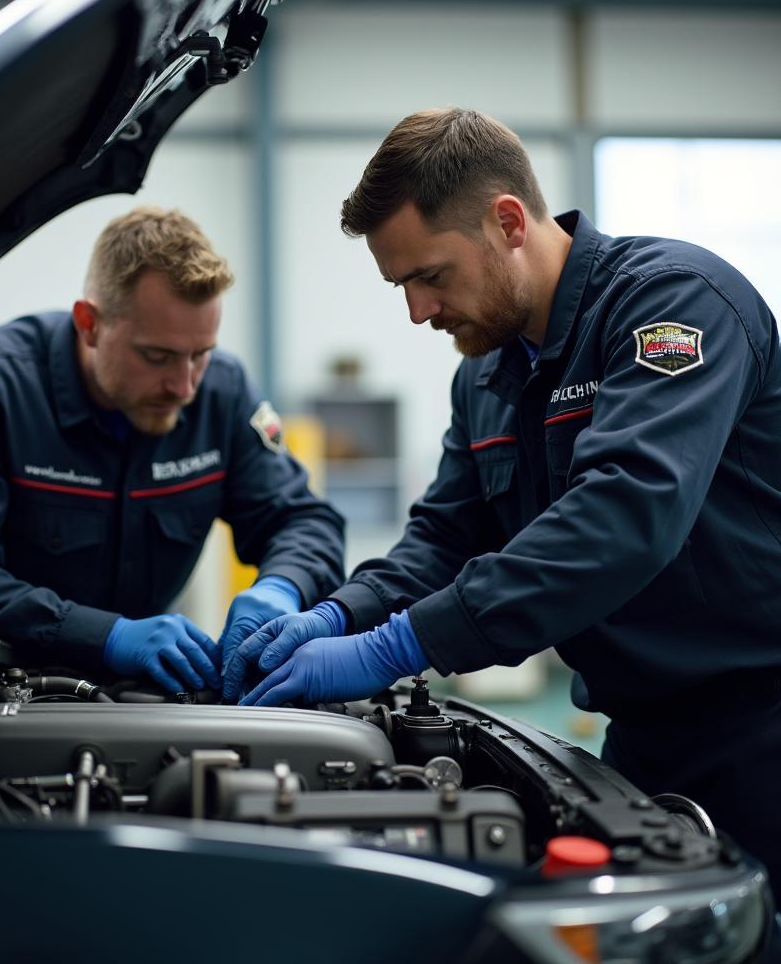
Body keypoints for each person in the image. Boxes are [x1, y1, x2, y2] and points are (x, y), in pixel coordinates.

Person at [230, 107, 781, 893]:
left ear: (509, 221)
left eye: (431, 275)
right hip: (641, 740)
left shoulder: (674, 307)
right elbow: (442, 539)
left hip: (762, 725)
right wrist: (337, 615)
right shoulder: (486, 376)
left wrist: (395, 648)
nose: (418, 312)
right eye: (401, 285)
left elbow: (624, 517)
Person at [0, 206, 344, 694]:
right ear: (89, 324)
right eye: (157, 357)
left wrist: (281, 587)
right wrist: (105, 635)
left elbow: (304, 521)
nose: (184, 386)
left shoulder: (224, 391)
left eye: (201, 354)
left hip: (140, 693)